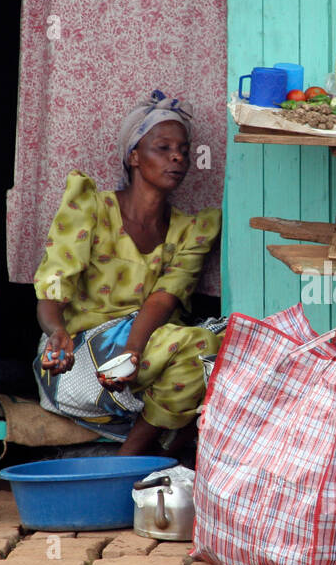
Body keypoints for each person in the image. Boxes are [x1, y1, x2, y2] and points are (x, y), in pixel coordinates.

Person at [33, 90, 224, 456]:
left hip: (140, 360)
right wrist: (57, 332)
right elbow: (53, 285)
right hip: (77, 364)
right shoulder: (90, 208)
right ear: (134, 156)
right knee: (194, 345)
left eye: (183, 149)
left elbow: (163, 299)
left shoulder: (191, 230)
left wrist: (132, 353)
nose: (177, 157)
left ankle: (130, 458)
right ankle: (140, 458)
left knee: (217, 344)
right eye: (163, 148)